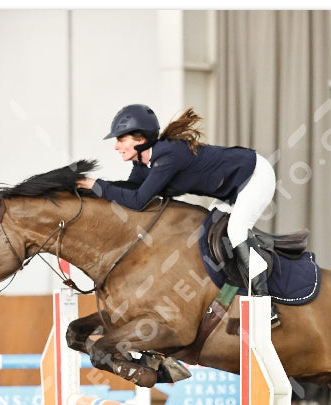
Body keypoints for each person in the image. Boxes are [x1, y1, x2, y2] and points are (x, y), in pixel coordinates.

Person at [76, 104, 280, 326]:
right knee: (210, 233)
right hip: (230, 188)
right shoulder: (142, 163)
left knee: (236, 231)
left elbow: (138, 201)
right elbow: (130, 190)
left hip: (254, 176)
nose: (116, 146)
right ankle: (231, 296)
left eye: (121, 140)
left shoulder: (168, 156)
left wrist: (96, 184)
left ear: (141, 139)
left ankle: (265, 306)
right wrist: (90, 189)